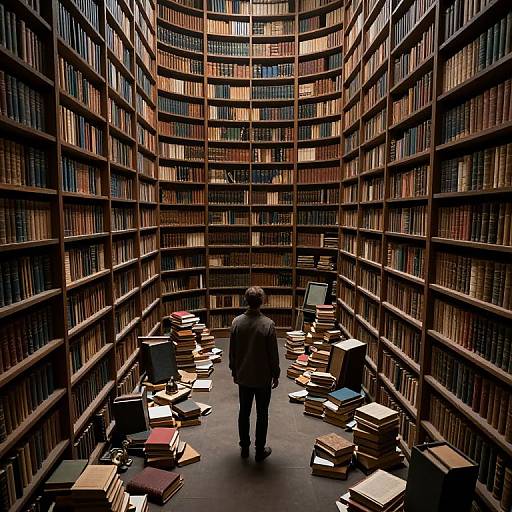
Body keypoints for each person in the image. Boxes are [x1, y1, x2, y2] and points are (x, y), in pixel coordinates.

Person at [229, 286, 280, 461]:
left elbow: (232, 352)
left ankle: (244, 447)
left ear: (246, 300)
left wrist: (234, 371)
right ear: (263, 301)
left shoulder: (236, 322)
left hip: (244, 375)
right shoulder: (268, 325)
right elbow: (273, 354)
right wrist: (276, 373)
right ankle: (259, 450)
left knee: (244, 411)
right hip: (262, 377)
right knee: (262, 413)